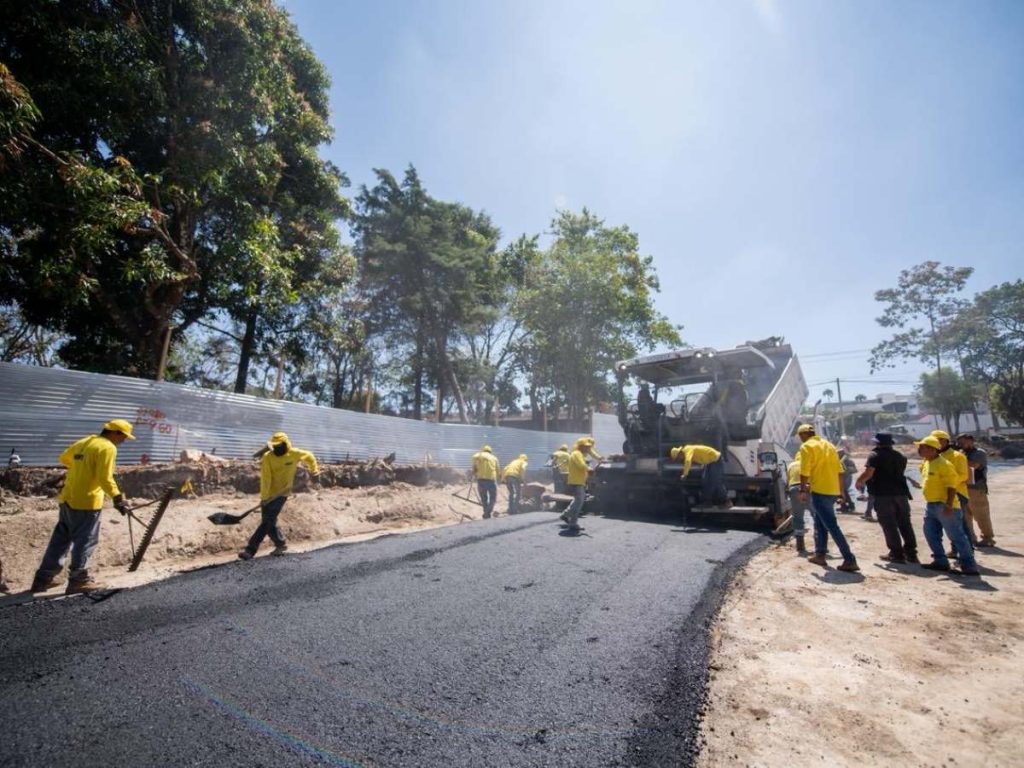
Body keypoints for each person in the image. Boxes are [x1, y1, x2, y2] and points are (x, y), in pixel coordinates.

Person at [31, 419, 136, 594]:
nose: (123, 440)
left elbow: (64, 458)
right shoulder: (108, 447)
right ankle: (79, 580)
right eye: (123, 436)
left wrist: (82, 468)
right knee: (85, 540)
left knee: (60, 540)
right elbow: (105, 478)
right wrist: (118, 498)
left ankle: (42, 580)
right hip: (87, 501)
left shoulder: (85, 442)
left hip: (68, 498)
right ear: (115, 433)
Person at [238, 432, 319, 560]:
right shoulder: (268, 457)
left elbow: (310, 456)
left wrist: (314, 471)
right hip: (269, 493)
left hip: (283, 493)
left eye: (279, 446)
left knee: (267, 521)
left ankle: (250, 550)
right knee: (269, 521)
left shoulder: (294, 453)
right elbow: (266, 479)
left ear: (285, 444)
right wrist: (265, 498)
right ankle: (281, 545)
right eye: (274, 446)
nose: (276, 449)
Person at [795, 424, 859, 572]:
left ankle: (849, 559)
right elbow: (839, 471)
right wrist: (841, 492)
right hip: (832, 490)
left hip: (820, 491)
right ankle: (820, 555)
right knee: (820, 523)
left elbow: (804, 472)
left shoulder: (806, 447)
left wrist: (803, 490)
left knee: (831, 526)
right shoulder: (828, 446)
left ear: (802, 435)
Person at [916, 435, 978, 575]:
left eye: (922, 447)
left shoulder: (944, 464)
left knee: (957, 535)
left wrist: (949, 505)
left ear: (932, 449)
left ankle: (969, 565)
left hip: (944, 505)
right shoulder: (927, 462)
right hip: (931, 505)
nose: (919, 450)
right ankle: (940, 561)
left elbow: (951, 486)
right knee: (931, 534)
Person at [855, 433, 918, 564]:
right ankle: (911, 553)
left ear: (877, 443)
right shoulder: (900, 456)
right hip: (901, 494)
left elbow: (869, 472)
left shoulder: (874, 455)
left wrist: (859, 481)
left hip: (883, 495)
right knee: (905, 524)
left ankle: (897, 554)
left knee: (889, 524)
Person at [931, 429, 975, 556]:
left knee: (960, 524)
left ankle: (968, 551)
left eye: (938, 440)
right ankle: (954, 550)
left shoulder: (957, 456)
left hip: (957, 493)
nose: (936, 443)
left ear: (945, 441)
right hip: (939, 495)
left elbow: (964, 476)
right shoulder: (934, 456)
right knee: (948, 524)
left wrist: (948, 482)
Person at [958, 434, 995, 547]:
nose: (960, 445)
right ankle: (971, 538)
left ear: (971, 441)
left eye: (962, 442)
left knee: (981, 515)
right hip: (963, 488)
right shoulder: (962, 453)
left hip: (976, 489)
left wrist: (959, 458)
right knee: (965, 516)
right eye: (959, 443)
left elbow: (974, 465)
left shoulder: (979, 453)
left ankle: (988, 538)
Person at [563, 437, 600, 533]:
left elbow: (591, 453)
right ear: (581, 446)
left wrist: (599, 458)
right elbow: (581, 465)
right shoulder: (577, 454)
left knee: (578, 500)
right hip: (576, 481)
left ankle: (567, 516)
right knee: (579, 501)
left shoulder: (579, 453)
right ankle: (571, 521)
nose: (588, 448)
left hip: (578, 481)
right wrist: (589, 469)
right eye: (586, 447)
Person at [787, 457, 809, 555]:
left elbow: (788, 480)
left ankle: (800, 545)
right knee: (817, 516)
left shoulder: (791, 465)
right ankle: (820, 546)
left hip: (794, 489)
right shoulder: (809, 463)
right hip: (809, 488)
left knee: (798, 517)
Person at [471, 445, 499, 519]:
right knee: (493, 498)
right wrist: (499, 479)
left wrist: (475, 469)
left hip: (481, 481)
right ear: (490, 451)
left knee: (484, 498)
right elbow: (497, 469)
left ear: (483, 450)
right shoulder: (494, 458)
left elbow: (474, 459)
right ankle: (487, 512)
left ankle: (486, 514)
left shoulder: (478, 455)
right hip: (491, 480)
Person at [837, 448, 858, 514]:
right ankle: (844, 506)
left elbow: (855, 470)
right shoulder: (837, 460)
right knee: (841, 493)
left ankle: (851, 506)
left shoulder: (848, 461)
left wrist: (845, 469)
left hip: (846, 479)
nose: (838, 454)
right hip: (839, 479)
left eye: (839, 453)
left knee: (844, 492)